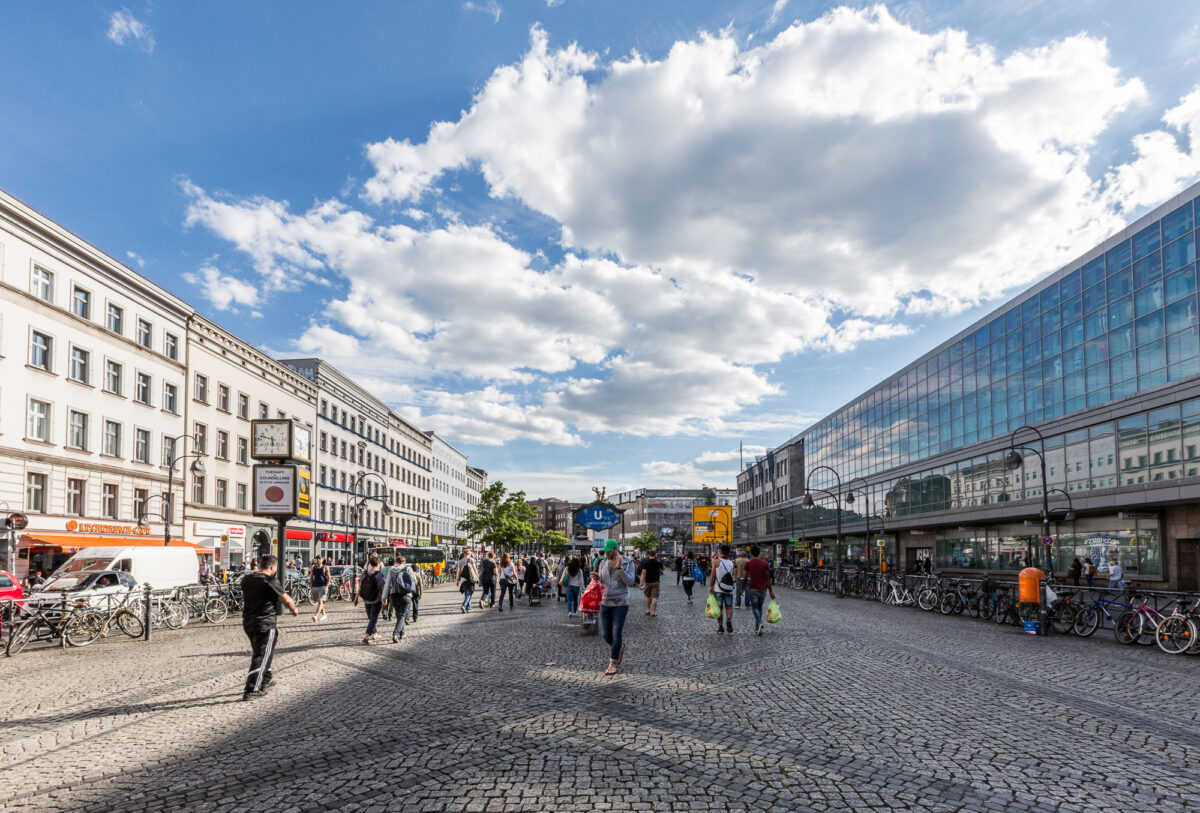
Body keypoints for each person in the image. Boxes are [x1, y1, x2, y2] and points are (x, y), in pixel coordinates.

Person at [240, 555, 298, 701]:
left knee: (262, 651)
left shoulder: (246, 579)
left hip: (248, 621)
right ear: (272, 567)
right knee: (261, 655)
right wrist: (293, 609)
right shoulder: (269, 580)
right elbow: (286, 598)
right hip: (265, 622)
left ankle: (266, 678)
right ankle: (252, 689)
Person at [594, 539, 636, 676]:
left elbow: (630, 582)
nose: (606, 554)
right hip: (605, 602)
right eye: (604, 552)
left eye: (608, 551)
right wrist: (596, 579)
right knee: (606, 634)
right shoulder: (603, 563)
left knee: (617, 632)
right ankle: (619, 647)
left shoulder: (628, 562)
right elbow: (601, 580)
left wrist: (620, 569)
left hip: (620, 603)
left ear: (615, 549)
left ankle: (612, 664)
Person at [381, 556, 417, 643]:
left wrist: (384, 597)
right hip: (406, 595)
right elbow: (414, 581)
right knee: (401, 616)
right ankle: (396, 634)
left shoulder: (392, 570)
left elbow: (387, 584)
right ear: (404, 562)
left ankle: (402, 634)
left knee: (399, 615)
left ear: (396, 562)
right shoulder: (408, 569)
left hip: (394, 595)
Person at [744, 545, 776, 636]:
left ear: (751, 553)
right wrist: (770, 591)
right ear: (759, 553)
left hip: (753, 588)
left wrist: (742, 589)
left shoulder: (749, 564)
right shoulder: (765, 563)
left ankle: (759, 622)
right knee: (760, 607)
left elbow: (745, 577)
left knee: (754, 607)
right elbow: (768, 578)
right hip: (763, 588)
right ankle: (757, 627)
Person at [353, 554, 385, 644]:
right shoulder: (379, 575)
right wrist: (385, 598)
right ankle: (367, 636)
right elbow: (382, 588)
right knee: (373, 617)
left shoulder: (364, 574)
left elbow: (360, 587)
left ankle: (374, 633)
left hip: (366, 599)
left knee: (371, 618)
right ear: (378, 564)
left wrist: (356, 598)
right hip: (376, 599)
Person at [709, 545, 736, 634]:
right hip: (729, 589)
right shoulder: (732, 562)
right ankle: (728, 619)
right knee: (729, 607)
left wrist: (711, 586)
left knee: (719, 609)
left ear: (720, 551)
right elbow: (733, 576)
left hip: (718, 588)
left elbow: (713, 576)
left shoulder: (716, 562)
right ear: (729, 552)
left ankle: (720, 628)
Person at [638, 551, 662, 616]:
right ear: (655, 555)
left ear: (649, 555)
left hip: (647, 582)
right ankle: (653, 612)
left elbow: (643, 573)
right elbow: (660, 571)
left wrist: (640, 583)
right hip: (656, 582)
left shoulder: (646, 563)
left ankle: (648, 610)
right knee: (654, 597)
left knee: (647, 596)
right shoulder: (658, 562)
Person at [309, 555, 330, 623]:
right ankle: (324, 614)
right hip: (315, 586)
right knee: (319, 602)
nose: (318, 560)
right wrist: (311, 585)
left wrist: (326, 586)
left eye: (319, 559)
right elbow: (311, 577)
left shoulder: (325, 567)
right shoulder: (313, 568)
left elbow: (329, 577)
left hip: (323, 586)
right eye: (317, 559)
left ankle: (316, 616)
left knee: (320, 601)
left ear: (322, 560)